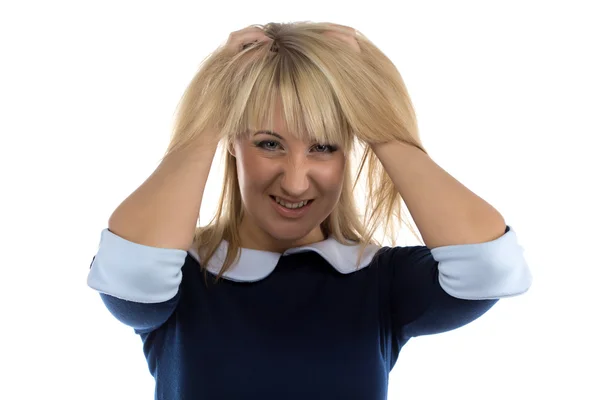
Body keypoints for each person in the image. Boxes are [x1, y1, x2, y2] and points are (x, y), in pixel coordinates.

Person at [87, 22, 532, 400]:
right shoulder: (181, 278)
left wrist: (379, 115)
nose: (296, 181)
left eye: (323, 147)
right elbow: (132, 273)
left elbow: (491, 268)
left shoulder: (379, 281)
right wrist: (207, 113)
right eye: (268, 144)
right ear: (232, 144)